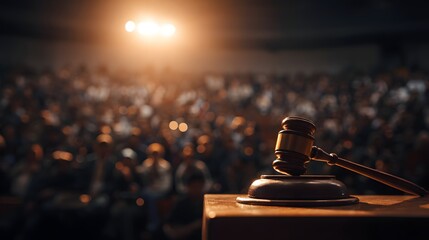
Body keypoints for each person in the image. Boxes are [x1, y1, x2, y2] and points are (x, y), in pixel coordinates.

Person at [163, 172, 206, 240]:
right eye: (193, 186)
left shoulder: (206, 204)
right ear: (188, 186)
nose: (196, 190)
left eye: (198, 186)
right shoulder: (181, 203)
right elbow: (169, 223)